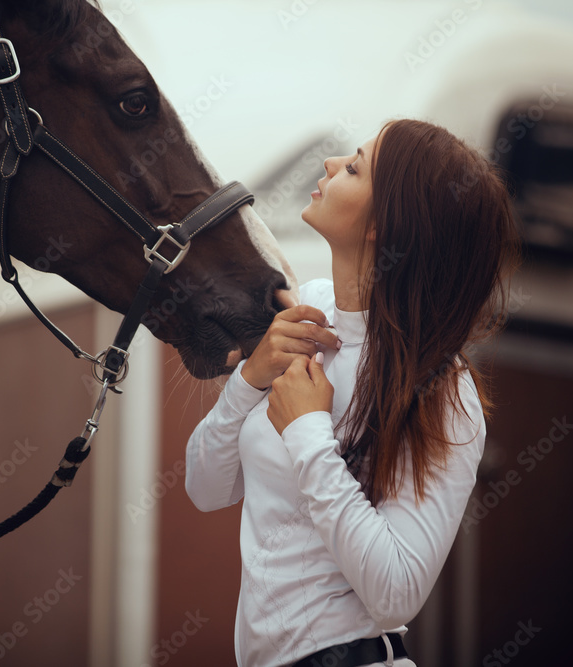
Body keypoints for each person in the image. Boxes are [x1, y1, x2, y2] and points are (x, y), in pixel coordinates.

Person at [185, 118, 520, 667]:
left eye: (355, 166)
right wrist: (248, 383)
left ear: (384, 228)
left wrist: (307, 432)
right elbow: (205, 488)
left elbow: (395, 595)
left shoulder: (445, 389)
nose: (329, 164)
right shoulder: (304, 317)